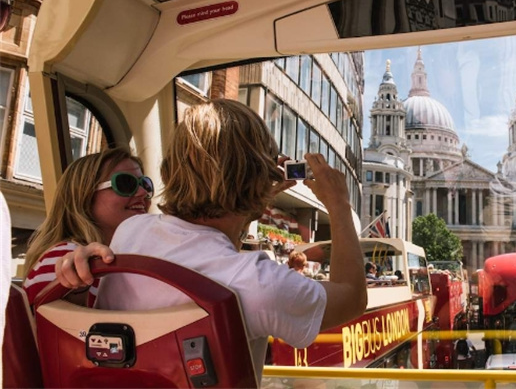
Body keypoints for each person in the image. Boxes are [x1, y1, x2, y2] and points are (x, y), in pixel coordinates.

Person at [56, 99, 367, 379]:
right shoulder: (260, 284)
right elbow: (352, 297)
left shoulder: (130, 231)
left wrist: (250, 203)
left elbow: (209, 252)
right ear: (258, 175)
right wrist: (339, 204)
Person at [22, 148, 153, 306]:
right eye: (125, 183)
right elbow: (52, 320)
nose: (142, 192)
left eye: (145, 184)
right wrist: (77, 286)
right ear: (85, 196)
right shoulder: (66, 257)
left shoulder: (123, 259)